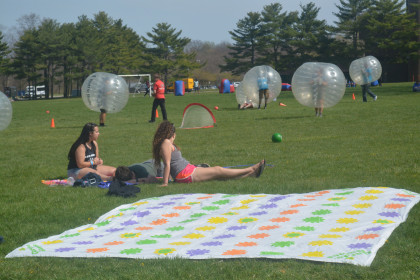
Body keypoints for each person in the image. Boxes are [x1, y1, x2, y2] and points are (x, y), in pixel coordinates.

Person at [152, 121, 265, 187]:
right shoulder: (166, 143)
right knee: (218, 170)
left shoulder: (166, 143)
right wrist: (165, 183)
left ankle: (251, 174)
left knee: (220, 177)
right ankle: (251, 169)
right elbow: (167, 164)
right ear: (170, 134)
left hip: (187, 171)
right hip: (185, 174)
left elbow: (171, 164)